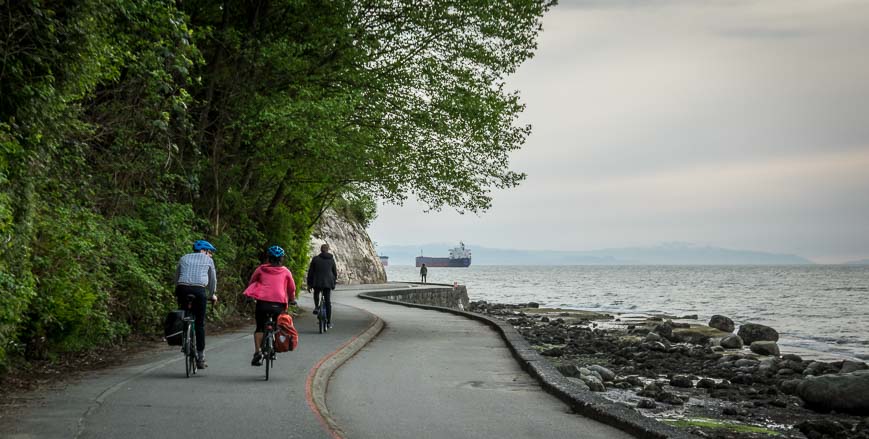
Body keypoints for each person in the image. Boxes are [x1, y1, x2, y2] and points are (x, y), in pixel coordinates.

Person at [243, 245, 297, 367]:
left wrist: (249, 296)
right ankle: (275, 344)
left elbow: (252, 282)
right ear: (282, 259)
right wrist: (292, 299)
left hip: (262, 303)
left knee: (260, 328)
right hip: (279, 304)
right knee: (279, 326)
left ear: (268, 258)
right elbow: (291, 288)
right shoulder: (286, 271)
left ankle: (257, 352)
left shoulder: (261, 269)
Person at [174, 239, 218, 369]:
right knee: (199, 324)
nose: (210, 255)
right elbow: (212, 280)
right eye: (209, 252)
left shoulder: (184, 258)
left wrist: (177, 290)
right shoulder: (208, 260)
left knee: (183, 315)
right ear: (203, 251)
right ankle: (200, 357)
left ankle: (184, 340)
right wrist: (212, 294)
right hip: (199, 290)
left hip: (182, 289)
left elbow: (176, 276)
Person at [307, 243, 337, 328]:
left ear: (321, 250)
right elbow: (334, 273)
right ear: (327, 250)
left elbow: (311, 272)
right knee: (328, 302)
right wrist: (333, 283)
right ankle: (329, 322)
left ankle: (316, 307)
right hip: (328, 283)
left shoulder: (315, 259)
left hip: (317, 282)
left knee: (316, 293)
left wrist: (309, 284)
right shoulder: (331, 260)